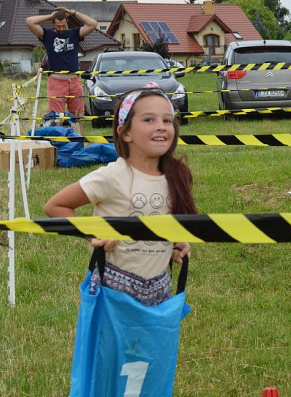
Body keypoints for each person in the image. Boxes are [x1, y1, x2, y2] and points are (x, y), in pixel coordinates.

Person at [44, 87, 195, 306]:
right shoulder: (111, 176)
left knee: (153, 341)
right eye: (149, 120)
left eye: (167, 120)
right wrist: (93, 235)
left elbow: (164, 220)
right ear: (125, 132)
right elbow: (56, 206)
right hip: (113, 288)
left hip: (160, 286)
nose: (161, 126)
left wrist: (175, 243)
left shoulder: (176, 175)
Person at [26, 7, 98, 136]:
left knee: (76, 117)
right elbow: (30, 21)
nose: (61, 29)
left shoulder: (74, 34)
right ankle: (58, 144)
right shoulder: (47, 35)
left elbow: (93, 24)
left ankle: (77, 141)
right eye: (58, 26)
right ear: (53, 24)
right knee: (56, 117)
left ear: (67, 23)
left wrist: (74, 12)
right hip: (56, 81)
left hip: (74, 81)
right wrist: (49, 16)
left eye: (63, 25)